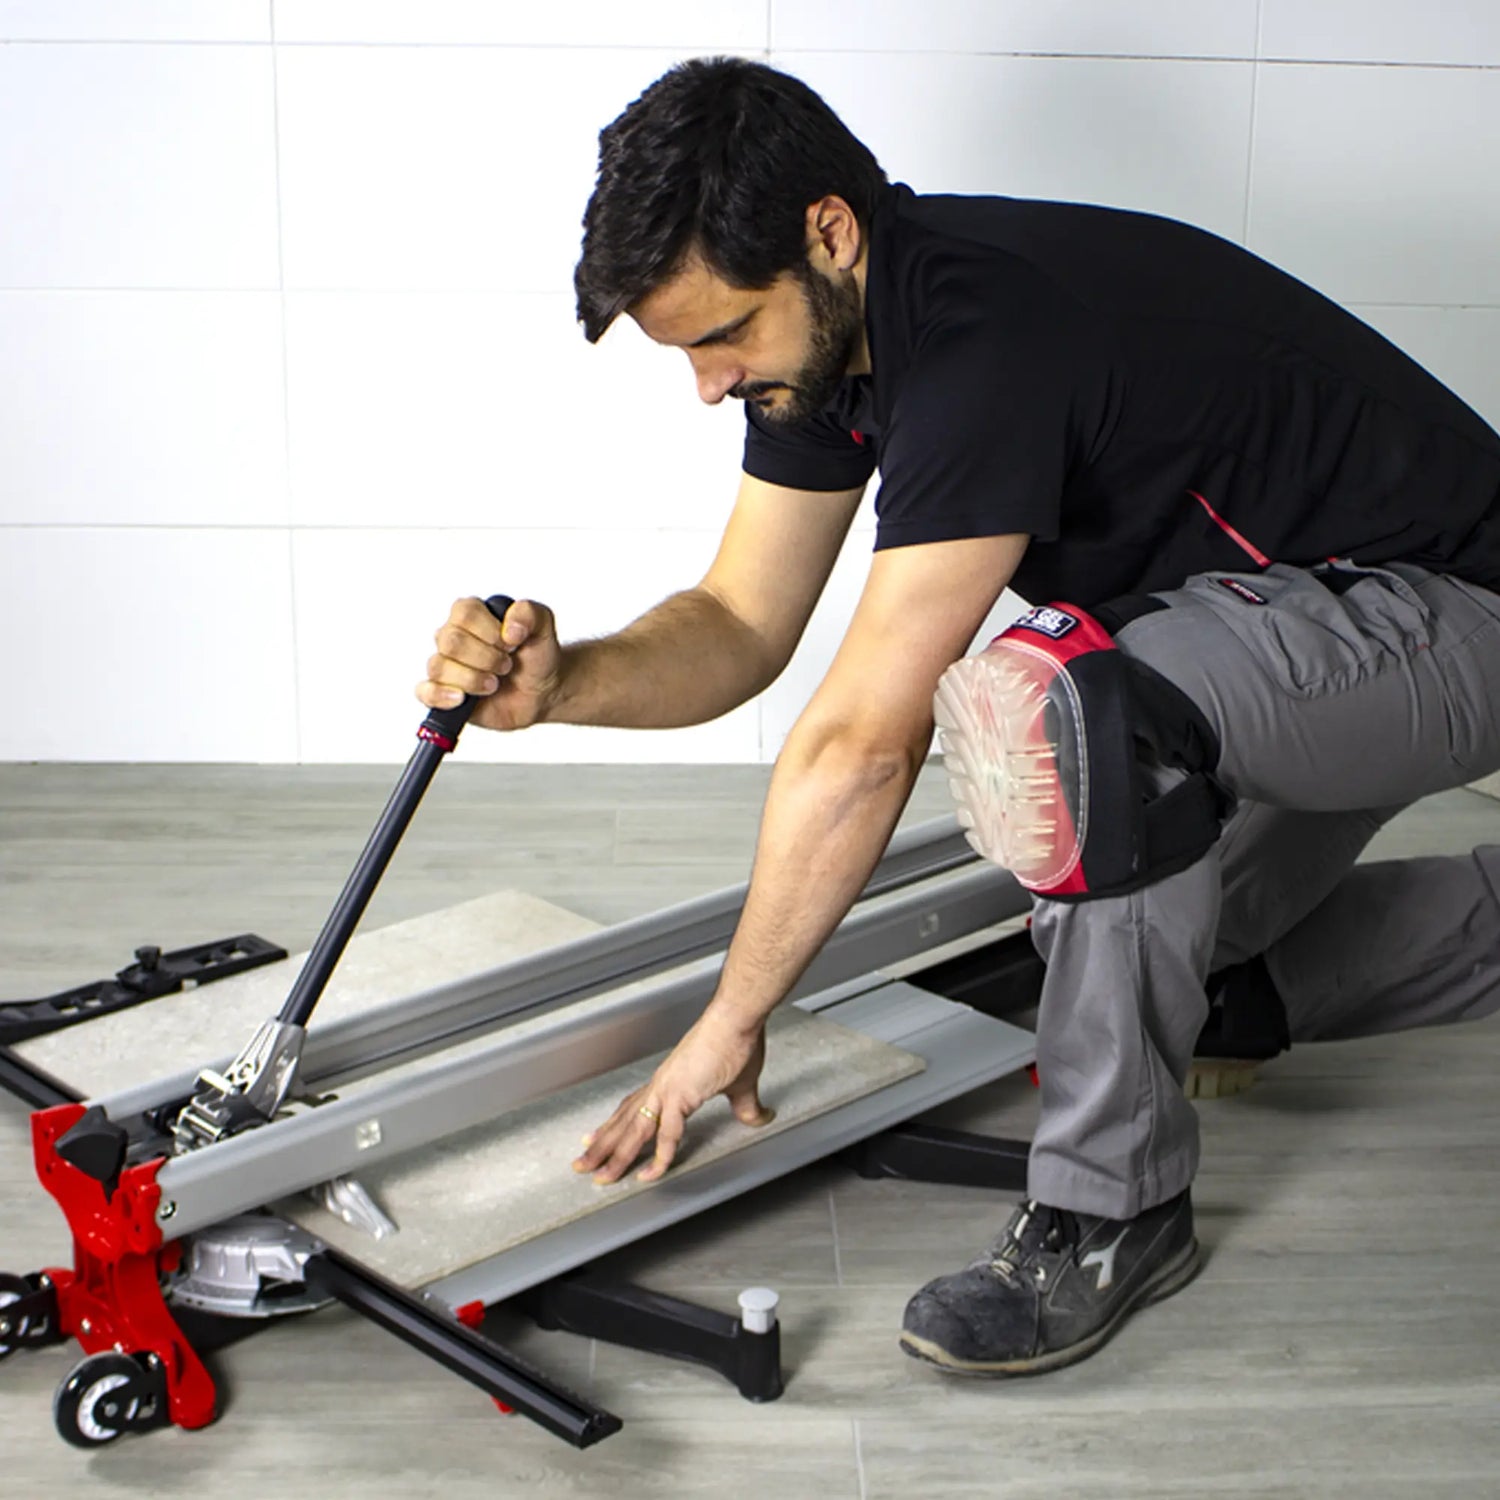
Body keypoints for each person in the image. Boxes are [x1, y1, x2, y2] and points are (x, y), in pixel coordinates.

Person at [417, 57, 1500, 1377]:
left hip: (1454, 618)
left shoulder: (986, 333)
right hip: (1285, 641)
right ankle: (1254, 996)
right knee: (1167, 978)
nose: (707, 384)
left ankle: (1112, 1213)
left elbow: (865, 743)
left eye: (722, 335)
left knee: (1079, 714)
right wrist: (566, 682)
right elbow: (743, 621)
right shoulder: (832, 345)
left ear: (828, 233)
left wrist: (732, 1019)